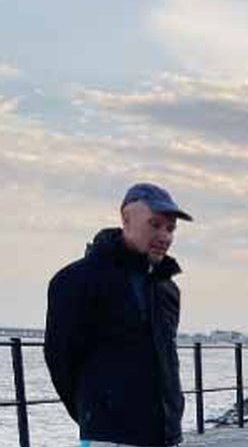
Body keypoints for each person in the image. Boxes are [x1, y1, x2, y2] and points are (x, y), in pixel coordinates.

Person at [45, 183, 193, 446]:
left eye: (171, 229)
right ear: (126, 219)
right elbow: (61, 360)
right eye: (155, 224)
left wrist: (173, 411)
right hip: (110, 435)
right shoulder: (77, 280)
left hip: (165, 435)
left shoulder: (167, 289)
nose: (165, 236)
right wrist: (96, 413)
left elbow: (166, 358)